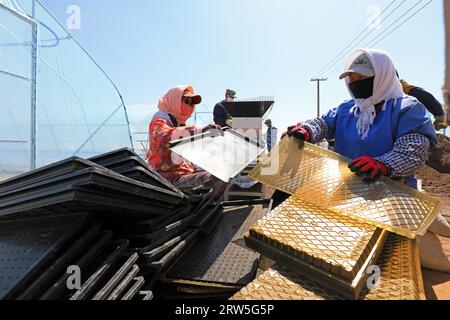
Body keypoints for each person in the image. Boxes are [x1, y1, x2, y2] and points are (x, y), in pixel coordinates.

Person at [274, 48, 437, 208]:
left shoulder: (407, 108)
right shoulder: (347, 108)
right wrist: (307, 130)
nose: (355, 83)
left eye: (361, 76)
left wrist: (383, 164)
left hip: (391, 193)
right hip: (348, 187)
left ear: (382, 75)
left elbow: (413, 149)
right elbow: (323, 123)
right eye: (351, 78)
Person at [147, 85, 227, 198]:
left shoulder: (178, 123)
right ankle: (203, 207)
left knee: (223, 169)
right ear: (174, 100)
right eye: (186, 101)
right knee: (220, 177)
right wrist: (200, 130)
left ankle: (203, 204)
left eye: (192, 103)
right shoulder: (159, 121)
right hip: (168, 179)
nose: (189, 106)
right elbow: (164, 136)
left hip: (184, 173)